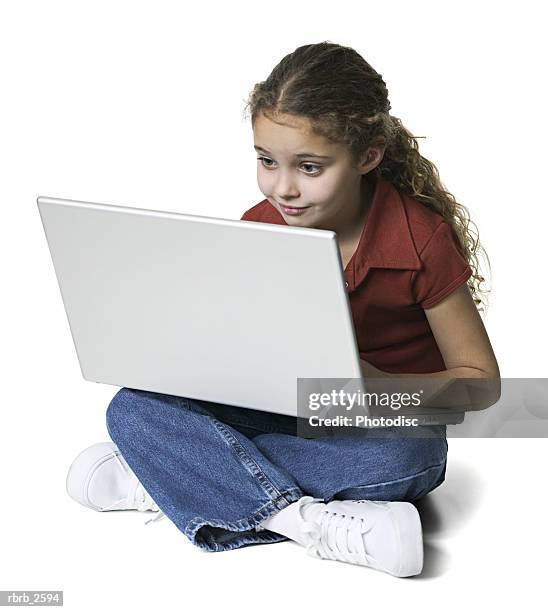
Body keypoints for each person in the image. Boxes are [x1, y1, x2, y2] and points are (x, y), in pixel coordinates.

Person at [66, 42, 500, 578]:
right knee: (132, 409)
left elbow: (481, 384)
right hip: (276, 406)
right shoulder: (261, 223)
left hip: (370, 425)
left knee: (413, 462)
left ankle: (176, 480)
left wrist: (377, 383)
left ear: (368, 156)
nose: (283, 188)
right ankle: (304, 521)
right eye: (266, 161)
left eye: (310, 167)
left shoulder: (420, 239)